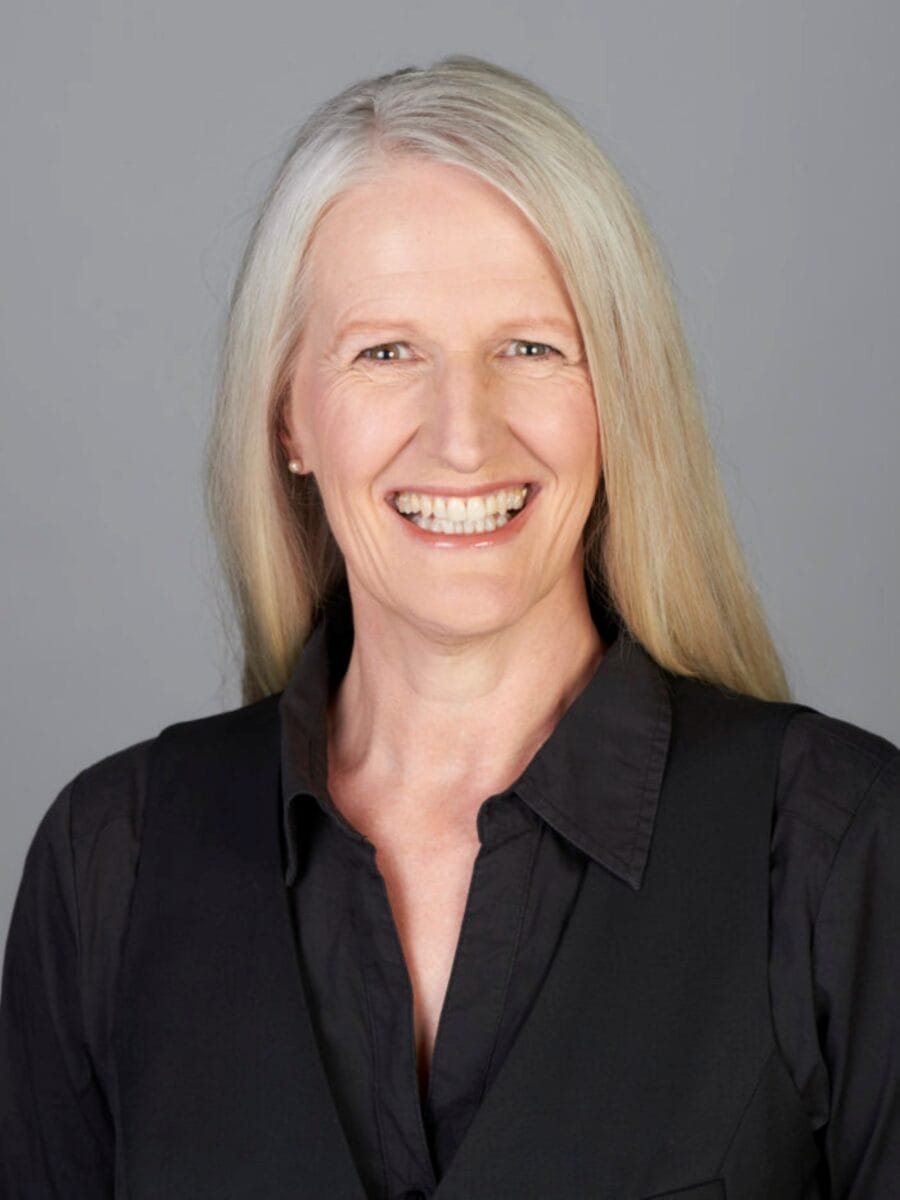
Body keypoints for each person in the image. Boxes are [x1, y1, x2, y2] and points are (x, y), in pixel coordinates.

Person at [1, 54, 898, 1200]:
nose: (463, 437)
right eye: (386, 352)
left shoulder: (841, 850)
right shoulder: (106, 865)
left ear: (618, 392)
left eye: (529, 347)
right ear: (290, 419)